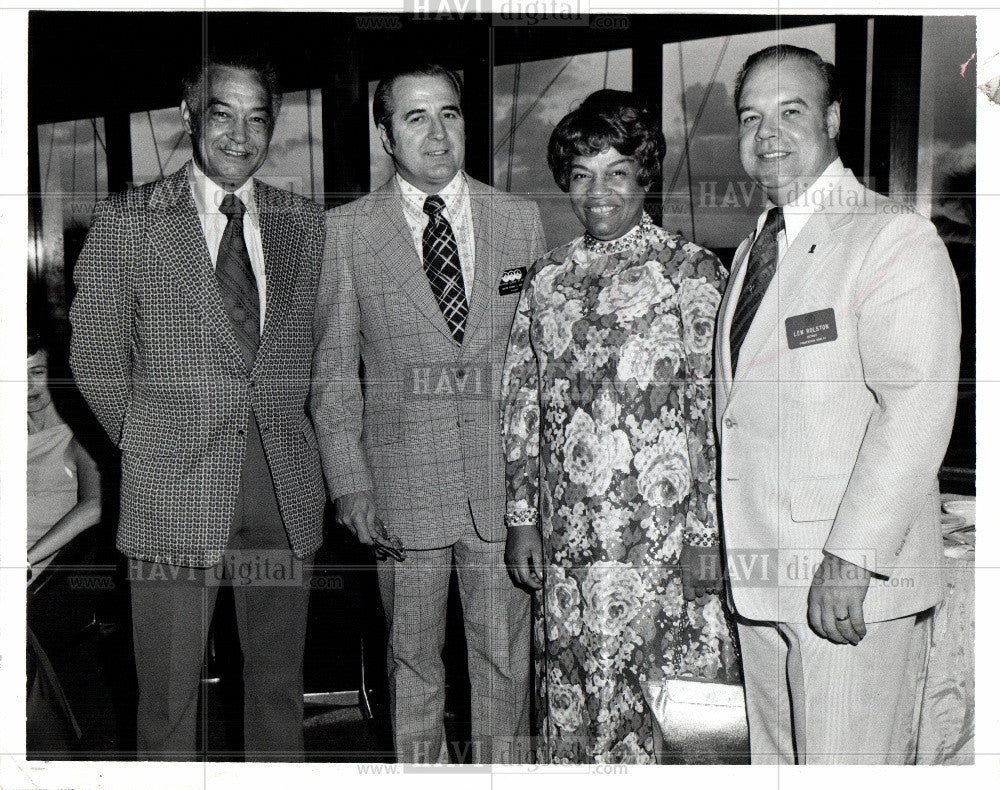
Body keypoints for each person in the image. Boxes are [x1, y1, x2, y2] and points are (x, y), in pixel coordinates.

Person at [69, 56, 326, 761]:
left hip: (283, 490)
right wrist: (148, 442)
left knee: (277, 692)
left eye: (257, 117)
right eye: (222, 113)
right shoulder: (129, 221)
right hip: (171, 493)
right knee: (170, 702)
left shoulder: (303, 223)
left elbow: (315, 356)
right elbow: (91, 355)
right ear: (190, 117)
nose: (240, 134)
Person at [714, 45, 961, 764]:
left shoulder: (890, 235)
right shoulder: (756, 246)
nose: (768, 135)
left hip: (843, 588)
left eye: (790, 112)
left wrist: (850, 562)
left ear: (832, 119)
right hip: (762, 582)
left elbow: (913, 409)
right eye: (751, 116)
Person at [311, 63, 545, 764]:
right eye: (415, 118)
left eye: (449, 113)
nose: (437, 132)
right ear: (386, 136)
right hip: (398, 494)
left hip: (504, 495)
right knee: (411, 667)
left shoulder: (519, 219)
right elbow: (332, 375)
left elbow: (537, 362)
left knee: (505, 664)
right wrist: (350, 484)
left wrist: (539, 490)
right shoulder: (347, 233)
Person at [501, 89, 740, 764]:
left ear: (645, 176)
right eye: (581, 175)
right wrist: (522, 518)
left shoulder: (694, 273)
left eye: (615, 173)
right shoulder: (546, 278)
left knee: (689, 707)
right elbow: (521, 401)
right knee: (578, 694)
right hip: (572, 541)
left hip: (669, 545)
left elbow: (716, 418)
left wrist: (709, 540)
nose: (597, 192)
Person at [27, 337, 102, 578]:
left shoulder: (76, 437)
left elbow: (96, 505)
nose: (27, 384)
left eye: (36, 372)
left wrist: (24, 561)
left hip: (32, 571)